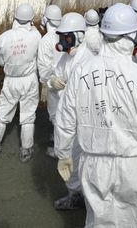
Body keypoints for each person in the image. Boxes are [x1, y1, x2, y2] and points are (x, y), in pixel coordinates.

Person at [55, 3, 137, 228]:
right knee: (133, 221)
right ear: (132, 36)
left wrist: (63, 152)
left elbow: (65, 117)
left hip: (93, 165)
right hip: (133, 167)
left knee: (98, 221)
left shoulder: (82, 71)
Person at [49, 12, 93, 211]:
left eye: (67, 37)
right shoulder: (67, 56)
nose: (62, 42)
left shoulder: (89, 58)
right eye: (61, 37)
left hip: (83, 117)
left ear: (80, 36)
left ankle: (88, 197)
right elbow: (55, 74)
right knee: (71, 157)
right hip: (67, 117)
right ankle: (75, 195)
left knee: (85, 159)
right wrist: (52, 81)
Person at [0, 3, 41, 162]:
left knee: (2, 113)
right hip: (29, 80)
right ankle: (26, 150)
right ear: (31, 20)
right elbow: (40, 58)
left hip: (10, 81)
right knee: (28, 116)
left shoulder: (3, 37)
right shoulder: (36, 36)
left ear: (15, 18)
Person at [37, 4, 63, 134]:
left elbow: (43, 67)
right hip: (68, 81)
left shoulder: (46, 40)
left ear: (46, 20)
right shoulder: (65, 34)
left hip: (53, 83)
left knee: (55, 116)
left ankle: (60, 149)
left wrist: (45, 83)